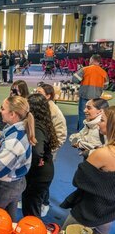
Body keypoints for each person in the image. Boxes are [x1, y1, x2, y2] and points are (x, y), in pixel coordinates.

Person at [61, 106, 115, 234]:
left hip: (86, 212)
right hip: (108, 215)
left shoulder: (102, 153)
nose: (98, 123)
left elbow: (78, 180)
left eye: (101, 120)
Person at [0, 96, 36, 221]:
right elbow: (10, 138)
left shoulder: (13, 143)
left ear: (12, 114)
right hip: (16, 182)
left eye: (3, 108)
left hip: (5, 187)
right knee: (9, 218)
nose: (1, 111)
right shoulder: (22, 127)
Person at [22, 94, 59, 217]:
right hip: (45, 170)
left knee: (31, 210)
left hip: (38, 174)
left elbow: (37, 151)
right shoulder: (45, 122)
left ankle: (32, 233)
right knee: (33, 205)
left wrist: (32, 164)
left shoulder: (37, 126)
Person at [36, 83, 67, 216]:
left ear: (48, 96)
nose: (36, 94)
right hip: (37, 150)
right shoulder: (38, 107)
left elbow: (61, 135)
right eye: (36, 91)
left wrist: (48, 152)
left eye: (40, 93)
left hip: (46, 153)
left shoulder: (55, 112)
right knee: (33, 177)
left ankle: (45, 203)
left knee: (43, 179)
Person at [72, 54, 109, 130]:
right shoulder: (104, 72)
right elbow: (106, 86)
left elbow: (74, 79)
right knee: (95, 115)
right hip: (96, 98)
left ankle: (81, 132)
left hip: (85, 96)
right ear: (99, 62)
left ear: (92, 60)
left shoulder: (85, 69)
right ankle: (92, 131)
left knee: (83, 114)